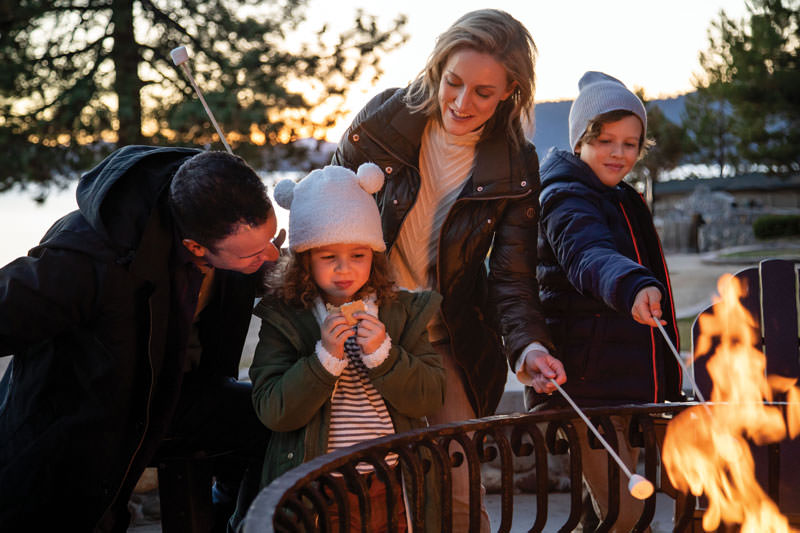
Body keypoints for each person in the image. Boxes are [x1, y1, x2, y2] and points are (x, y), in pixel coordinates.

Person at [331, 9, 565, 530]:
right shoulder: (381, 122)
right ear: (437, 69)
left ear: (510, 91)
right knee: (366, 496)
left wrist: (529, 344)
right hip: (358, 328)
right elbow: (322, 216)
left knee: (458, 495)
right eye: (453, 82)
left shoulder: (515, 163)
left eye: (483, 92)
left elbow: (512, 276)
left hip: (443, 339)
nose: (462, 103)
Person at [0, 146, 280, 532]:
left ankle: (234, 521)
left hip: (175, 393)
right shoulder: (89, 258)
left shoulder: (218, 207)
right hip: (86, 418)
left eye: (271, 238)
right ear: (195, 247)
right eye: (253, 254)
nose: (270, 255)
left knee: (275, 418)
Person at [249, 162, 446, 531]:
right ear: (305, 260)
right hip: (319, 486)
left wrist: (384, 355)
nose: (345, 269)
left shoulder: (402, 312)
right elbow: (274, 410)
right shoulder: (287, 319)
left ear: (376, 256)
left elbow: (430, 397)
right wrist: (323, 360)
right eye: (328, 257)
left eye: (359, 255)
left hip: (390, 479)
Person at [533, 71, 683, 532]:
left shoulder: (618, 197)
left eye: (630, 143)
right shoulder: (565, 197)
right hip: (588, 386)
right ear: (579, 141)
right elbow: (587, 254)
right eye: (605, 141)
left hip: (618, 386)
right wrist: (633, 284)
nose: (619, 153)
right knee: (625, 514)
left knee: (611, 510)